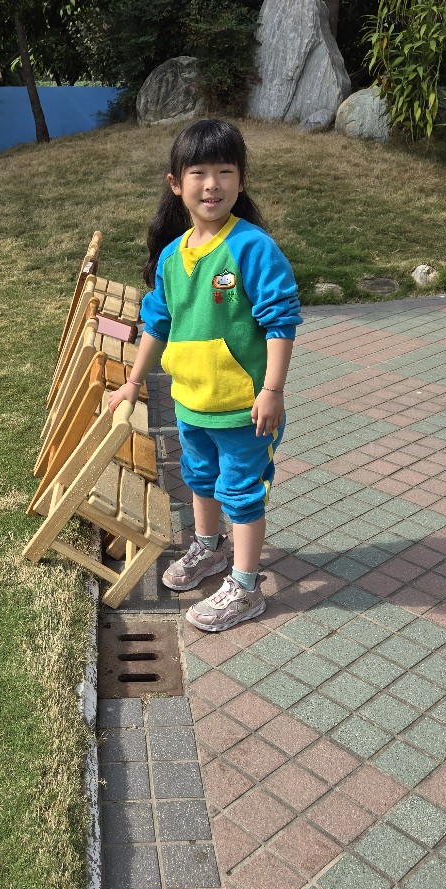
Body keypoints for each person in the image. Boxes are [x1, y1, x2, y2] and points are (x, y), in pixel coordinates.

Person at [108, 119, 301, 632]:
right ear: (176, 183)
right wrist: (133, 381)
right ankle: (210, 548)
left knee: (241, 492)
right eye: (198, 172)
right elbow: (156, 323)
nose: (212, 184)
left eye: (224, 171)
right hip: (191, 403)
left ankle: (245, 586)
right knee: (200, 479)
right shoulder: (173, 257)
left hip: (244, 409)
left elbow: (280, 320)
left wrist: (272, 390)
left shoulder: (252, 248)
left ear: (241, 180)